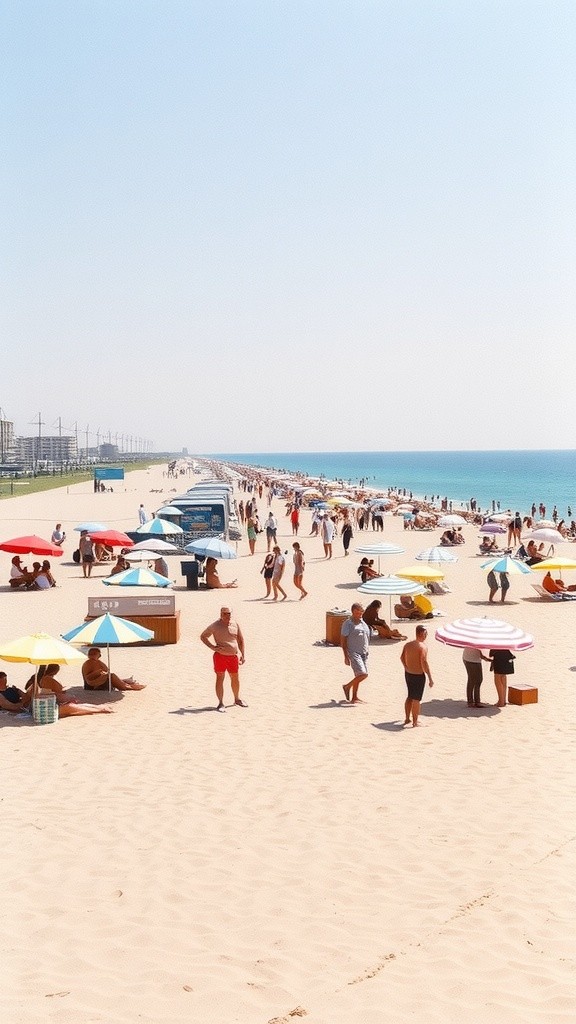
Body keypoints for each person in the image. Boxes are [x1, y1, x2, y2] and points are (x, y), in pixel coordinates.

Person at [200, 607, 247, 712]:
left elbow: (240, 640)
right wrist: (212, 647)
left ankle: (237, 699)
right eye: (225, 614)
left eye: (229, 613)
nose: (227, 616)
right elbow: (203, 636)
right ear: (221, 614)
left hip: (233, 656)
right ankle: (220, 703)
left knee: (235, 677)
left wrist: (243, 654)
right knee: (220, 678)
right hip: (220, 656)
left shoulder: (235, 624)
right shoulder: (215, 625)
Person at [25, 665, 115, 716]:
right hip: (43, 710)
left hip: (38, 707)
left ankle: (99, 708)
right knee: (70, 707)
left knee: (71, 706)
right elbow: (59, 690)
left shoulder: (36, 680)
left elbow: (28, 695)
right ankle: (99, 709)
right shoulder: (47, 679)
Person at [400, 625, 434, 727]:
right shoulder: (422, 647)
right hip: (418, 675)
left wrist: (406, 667)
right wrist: (430, 677)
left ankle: (407, 718)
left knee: (410, 696)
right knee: (416, 699)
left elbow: (402, 658)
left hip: (408, 673)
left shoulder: (408, 645)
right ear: (422, 633)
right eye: (426, 633)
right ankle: (415, 722)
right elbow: (424, 662)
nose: (426, 635)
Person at [340, 603, 370, 703]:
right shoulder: (348, 623)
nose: (360, 614)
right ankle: (347, 686)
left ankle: (354, 697)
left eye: (361, 612)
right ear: (353, 612)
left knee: (358, 675)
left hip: (363, 653)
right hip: (353, 652)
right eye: (357, 612)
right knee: (363, 674)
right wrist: (345, 656)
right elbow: (343, 640)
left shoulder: (363, 622)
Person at [81, 647, 146, 691]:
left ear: (99, 655)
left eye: (94, 654)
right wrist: (97, 672)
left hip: (98, 680)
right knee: (111, 675)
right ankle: (126, 687)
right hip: (91, 684)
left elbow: (107, 670)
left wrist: (102, 671)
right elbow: (88, 678)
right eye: (90, 654)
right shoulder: (88, 663)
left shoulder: (99, 662)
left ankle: (127, 684)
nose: (92, 655)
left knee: (112, 676)